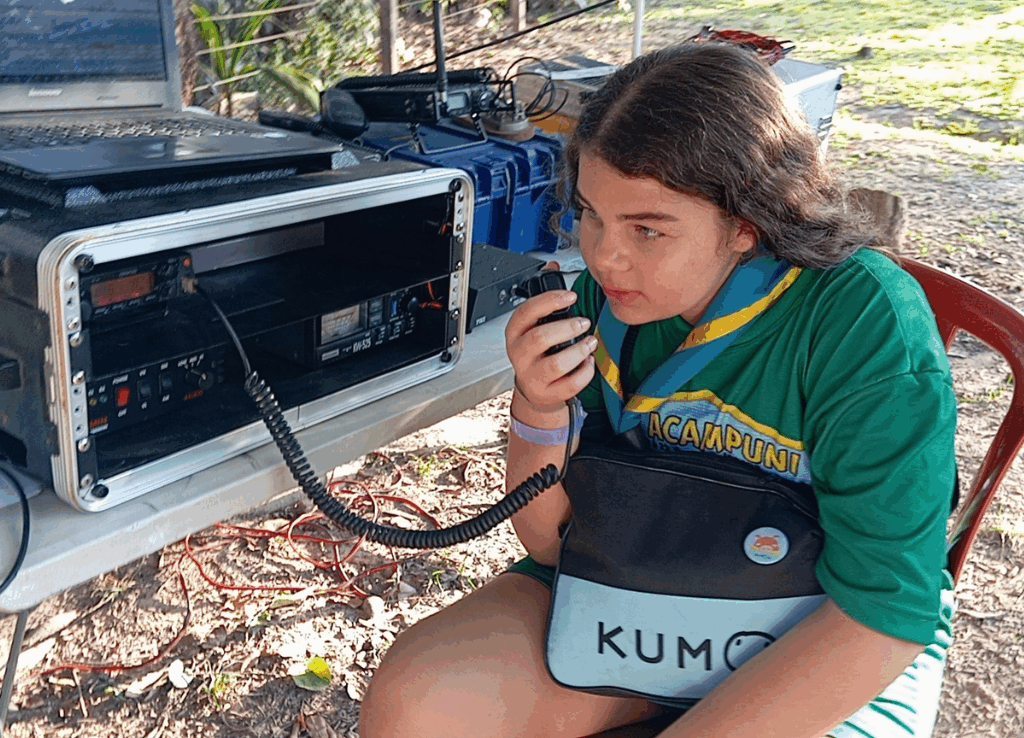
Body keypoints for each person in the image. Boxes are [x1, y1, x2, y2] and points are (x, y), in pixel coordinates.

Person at [358, 42, 956, 738]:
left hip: (818, 622)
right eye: (591, 214)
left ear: (747, 223)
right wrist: (538, 408)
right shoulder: (605, 305)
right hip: (637, 586)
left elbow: (882, 610)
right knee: (417, 708)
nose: (603, 256)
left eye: (647, 229)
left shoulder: (863, 324)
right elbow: (553, 544)